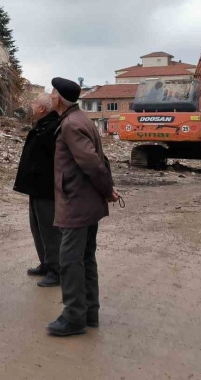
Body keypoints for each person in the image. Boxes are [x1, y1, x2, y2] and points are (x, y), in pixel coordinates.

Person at [46, 77, 118, 337]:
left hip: (77, 202)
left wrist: (107, 189)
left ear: (59, 98)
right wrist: (106, 189)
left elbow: (91, 162)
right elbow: (98, 159)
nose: (50, 95)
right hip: (85, 201)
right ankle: (89, 313)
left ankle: (74, 316)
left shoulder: (71, 124)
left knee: (70, 261)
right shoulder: (79, 119)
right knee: (85, 258)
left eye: (52, 92)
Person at [13, 93, 62, 288]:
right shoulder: (43, 125)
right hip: (36, 188)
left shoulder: (53, 127)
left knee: (50, 231)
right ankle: (46, 264)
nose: (32, 106)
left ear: (42, 108)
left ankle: (56, 271)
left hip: (47, 189)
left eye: (34, 103)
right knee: (38, 228)